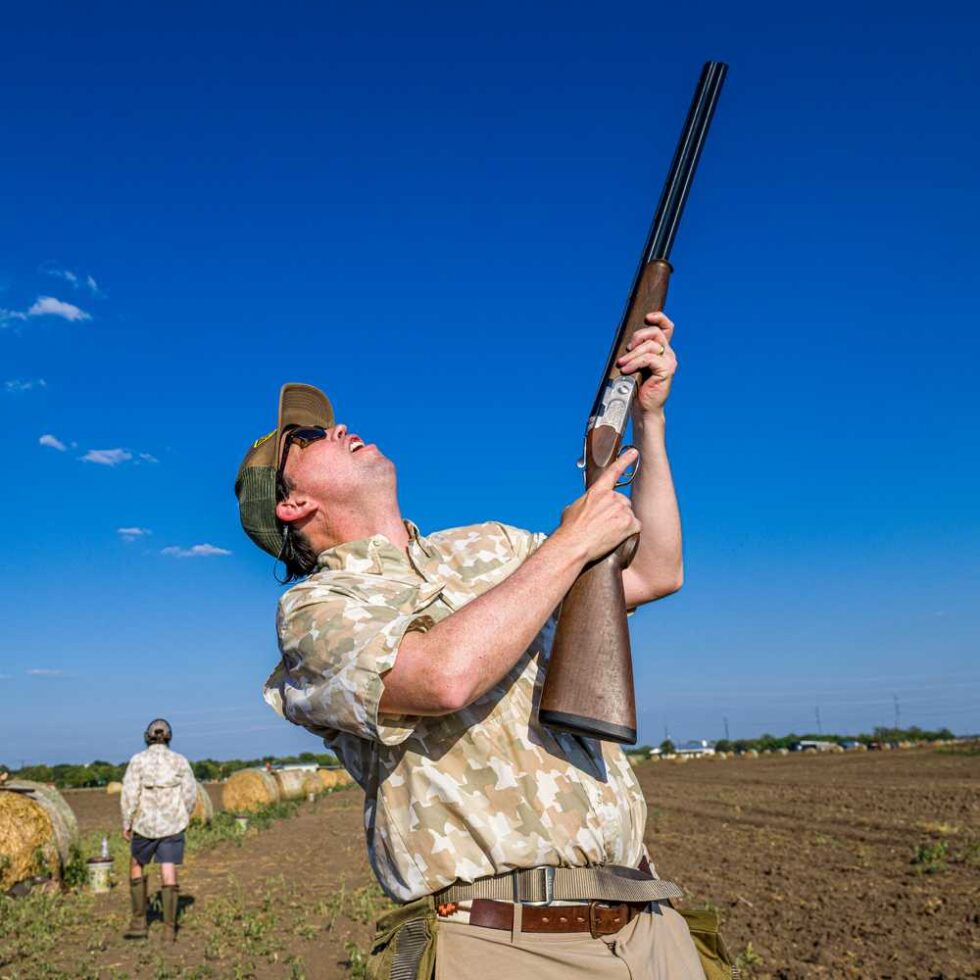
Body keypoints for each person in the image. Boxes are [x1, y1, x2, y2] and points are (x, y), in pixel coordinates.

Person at [235, 312, 709, 978]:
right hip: (502, 944)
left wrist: (649, 422)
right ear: (290, 505)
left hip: (648, 923)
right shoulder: (315, 613)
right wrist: (571, 544)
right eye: (308, 437)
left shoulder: (491, 544)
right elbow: (441, 678)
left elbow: (657, 570)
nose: (338, 428)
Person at [120, 718, 197, 941]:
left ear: (147, 736)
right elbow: (190, 793)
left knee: (136, 864)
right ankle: (169, 929)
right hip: (173, 823)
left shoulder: (138, 761)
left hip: (144, 824)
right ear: (169, 737)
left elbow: (129, 794)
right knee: (168, 867)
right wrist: (184, 814)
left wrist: (127, 822)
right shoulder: (179, 761)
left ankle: (138, 922)